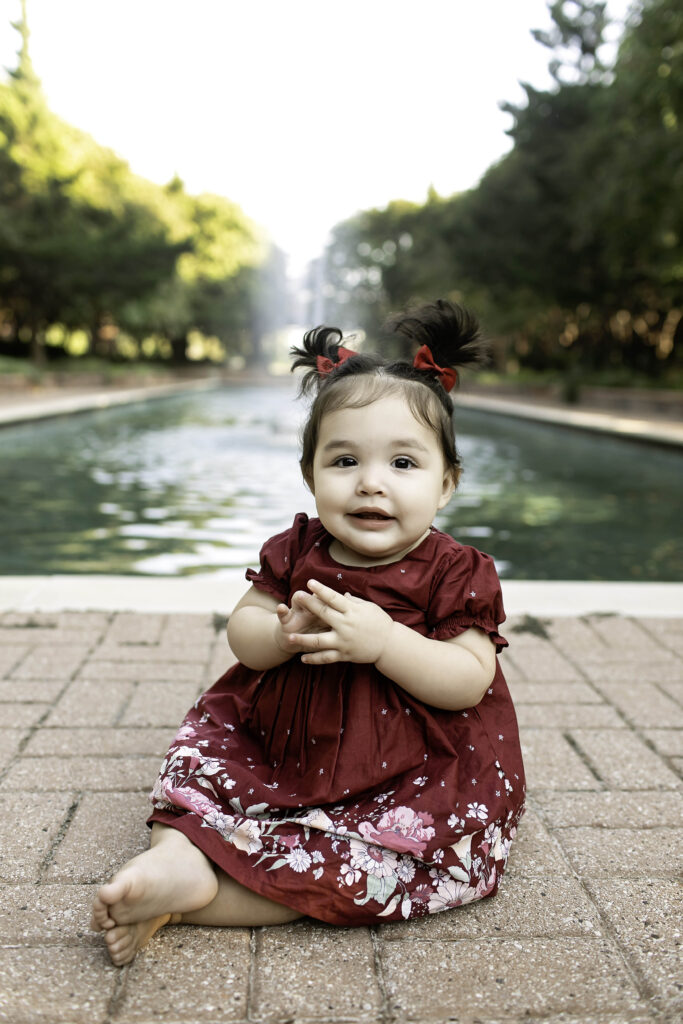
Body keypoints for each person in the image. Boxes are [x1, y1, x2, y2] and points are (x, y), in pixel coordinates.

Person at [91, 299, 526, 966]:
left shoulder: (455, 572)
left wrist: (387, 643)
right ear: (309, 475)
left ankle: (190, 896)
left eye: (402, 465)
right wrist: (278, 632)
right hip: (278, 748)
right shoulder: (296, 549)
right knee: (193, 780)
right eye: (344, 461)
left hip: (402, 776)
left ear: (446, 484)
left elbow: (469, 679)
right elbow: (243, 629)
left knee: (375, 869)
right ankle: (175, 857)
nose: (371, 484)